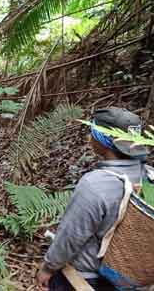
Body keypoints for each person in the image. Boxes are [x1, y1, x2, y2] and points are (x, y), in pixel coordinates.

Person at [37, 108, 150, 291]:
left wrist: (48, 267)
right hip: (135, 282)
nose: (89, 138)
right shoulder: (150, 178)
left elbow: (71, 236)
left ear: (102, 141)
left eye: (92, 133)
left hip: (85, 280)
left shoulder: (95, 184)